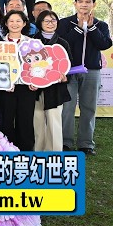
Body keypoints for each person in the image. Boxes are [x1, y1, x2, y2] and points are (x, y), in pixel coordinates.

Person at [58, 0, 112, 155]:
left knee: (89, 107)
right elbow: (63, 43)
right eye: (80, 1)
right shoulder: (65, 22)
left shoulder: (101, 24)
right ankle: (65, 142)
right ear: (75, 4)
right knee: (67, 107)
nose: (84, 5)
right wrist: (79, 28)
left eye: (88, 2)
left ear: (93, 4)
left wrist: (91, 27)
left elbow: (104, 44)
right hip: (69, 70)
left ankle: (86, 144)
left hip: (92, 71)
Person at [31, 10, 72, 152]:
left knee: (54, 122)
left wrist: (65, 77)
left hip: (56, 90)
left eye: (53, 20)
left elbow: (69, 65)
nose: (50, 23)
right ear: (40, 23)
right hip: (35, 90)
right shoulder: (32, 42)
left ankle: (54, 154)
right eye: (47, 21)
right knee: (37, 122)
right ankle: (38, 152)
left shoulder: (63, 43)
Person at [0, 9, 36, 151]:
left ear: (24, 23)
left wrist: (35, 81)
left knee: (25, 120)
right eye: (11, 21)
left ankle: (26, 151)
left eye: (18, 21)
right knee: (6, 120)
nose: (14, 24)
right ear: (6, 23)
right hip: (5, 87)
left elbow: (38, 65)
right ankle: (7, 150)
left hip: (26, 87)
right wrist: (4, 83)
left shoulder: (33, 43)